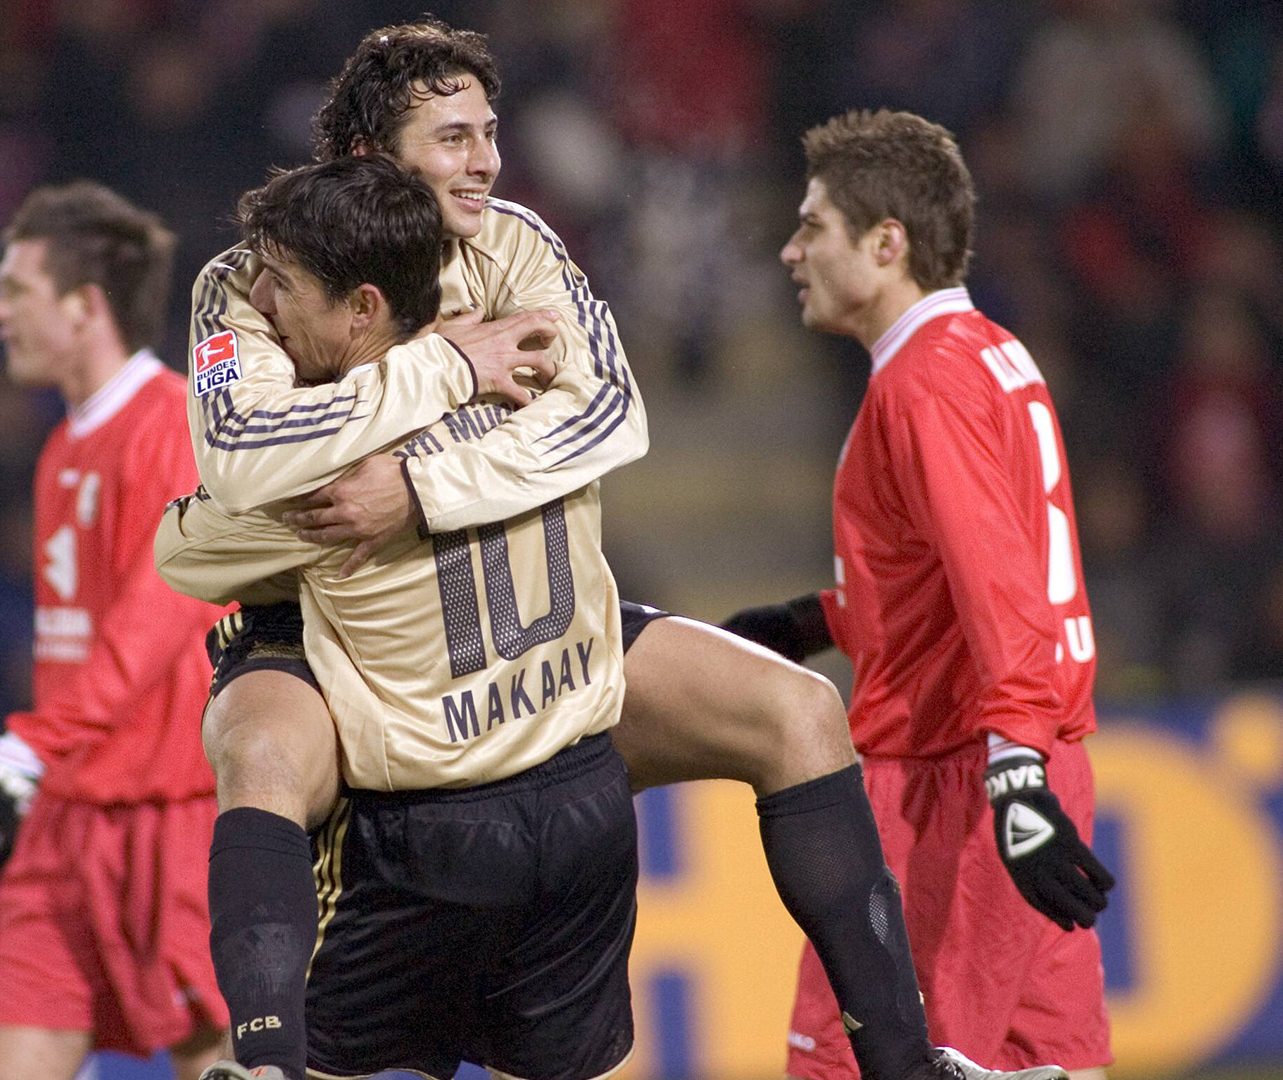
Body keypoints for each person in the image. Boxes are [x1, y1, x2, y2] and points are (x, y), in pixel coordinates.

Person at [175, 21, 1065, 1080]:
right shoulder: (252, 282)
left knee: (797, 712)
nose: (486, 160)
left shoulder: (513, 244)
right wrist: (448, 374)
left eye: (490, 133)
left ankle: (908, 1067)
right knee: (261, 747)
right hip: (323, 620)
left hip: (530, 599)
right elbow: (240, 457)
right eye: (453, 137)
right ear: (373, 150)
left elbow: (606, 418)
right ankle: (267, 1059)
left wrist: (415, 486)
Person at [160, 152, 641, 1080]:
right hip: (584, 802)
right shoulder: (541, 410)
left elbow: (183, 550)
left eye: (283, 285)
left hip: (434, 829)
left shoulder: (337, 477)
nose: (257, 300)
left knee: (255, 747)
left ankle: (261, 1059)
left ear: (363, 309)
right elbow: (611, 418)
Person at [722, 109, 1115, 1080]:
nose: (790, 250)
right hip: (1024, 761)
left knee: (856, 1066)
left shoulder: (922, 384)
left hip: (956, 783)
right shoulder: (985, 353)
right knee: (1043, 1064)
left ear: (886, 242)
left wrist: (1011, 775)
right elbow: (957, 566)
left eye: (813, 227)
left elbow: (1000, 587)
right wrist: (820, 620)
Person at [0, 180, 229, 1080]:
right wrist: (41, 767)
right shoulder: (60, 447)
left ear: (83, 308)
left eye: (16, 291)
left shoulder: (178, 428)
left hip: (175, 813)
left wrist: (26, 749)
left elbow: (155, 625)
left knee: (219, 1061)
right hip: (66, 823)